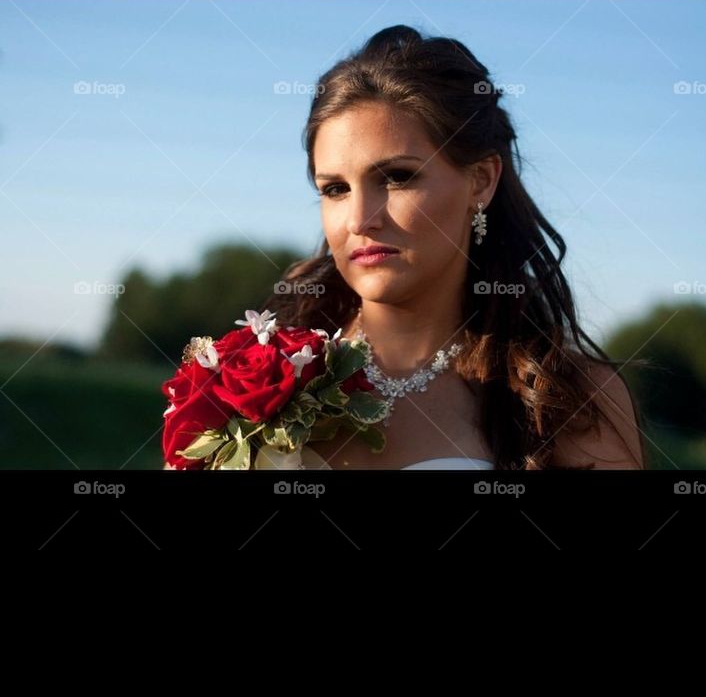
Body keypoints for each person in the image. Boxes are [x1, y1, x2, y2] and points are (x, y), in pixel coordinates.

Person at [255, 23, 647, 471]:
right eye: (336, 189)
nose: (361, 220)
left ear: (480, 181)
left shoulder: (567, 400)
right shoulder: (255, 379)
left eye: (398, 178)